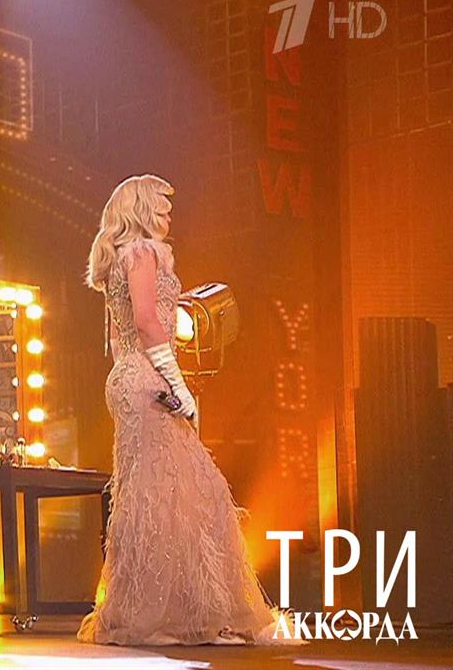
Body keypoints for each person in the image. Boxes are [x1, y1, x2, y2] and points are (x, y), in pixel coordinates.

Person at [76, 174, 303, 646]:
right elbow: (146, 322)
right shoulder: (142, 252)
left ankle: (185, 616)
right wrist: (175, 383)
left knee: (159, 496)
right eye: (161, 206)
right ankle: (164, 619)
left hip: (130, 379)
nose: (168, 214)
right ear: (141, 208)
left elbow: (117, 337)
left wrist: (136, 378)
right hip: (148, 381)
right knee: (176, 495)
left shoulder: (120, 257)